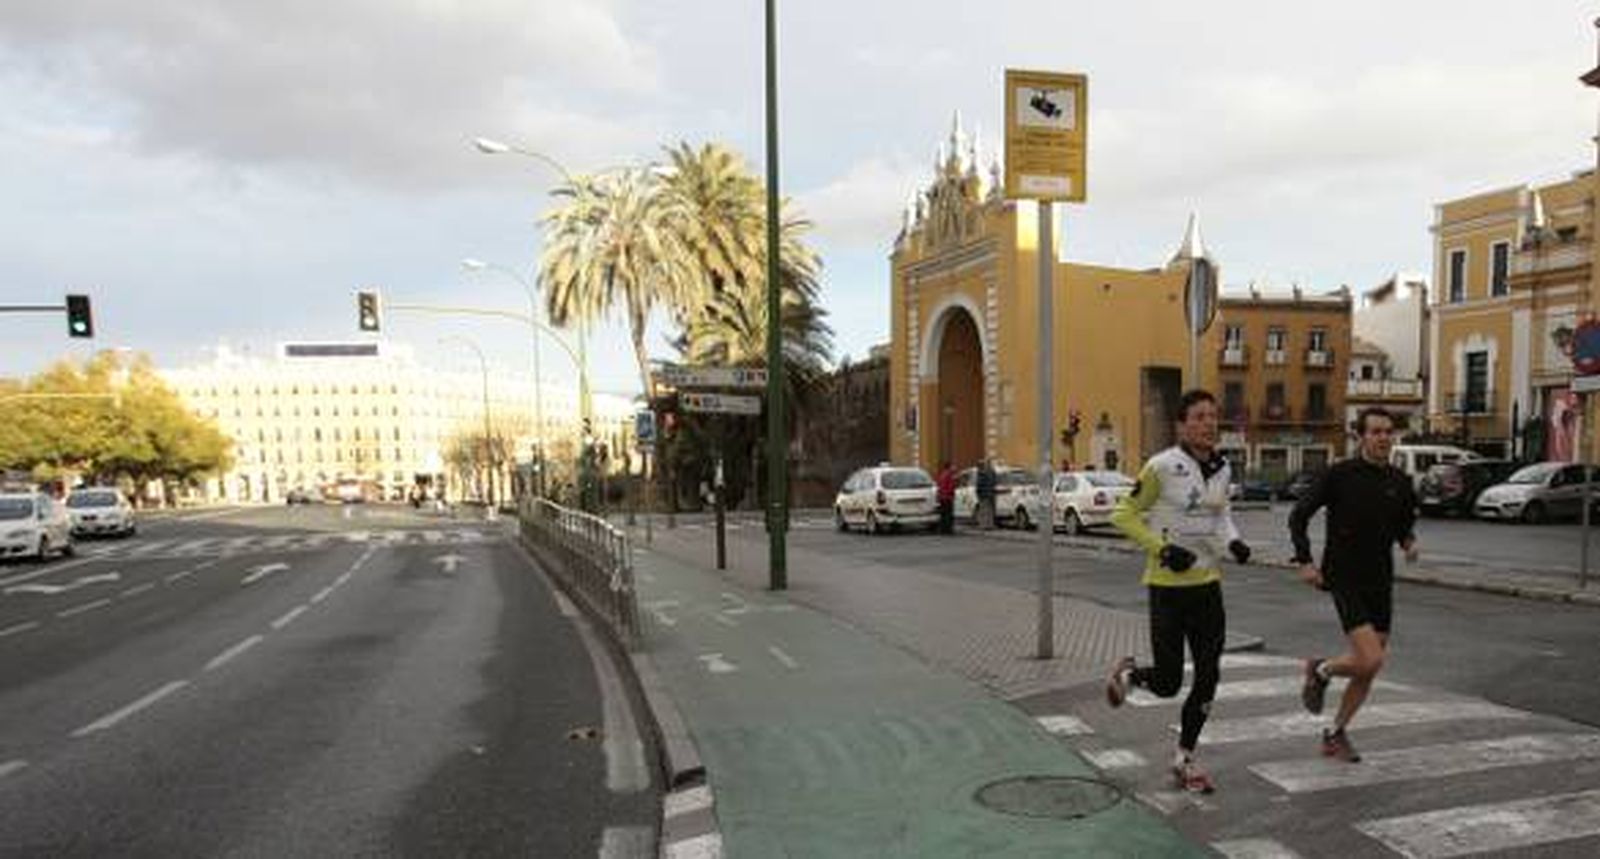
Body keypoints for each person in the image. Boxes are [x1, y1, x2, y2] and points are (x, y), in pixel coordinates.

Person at [1104, 389, 1251, 794]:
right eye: (1199, 416)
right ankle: (1132, 675)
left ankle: (1184, 759)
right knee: (1168, 683)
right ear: (1182, 425)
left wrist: (1234, 543)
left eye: (1212, 416)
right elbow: (1124, 515)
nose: (1208, 423)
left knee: (1208, 677)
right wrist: (1163, 549)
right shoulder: (1161, 466)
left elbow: (1221, 519)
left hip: (1207, 587)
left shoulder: (1221, 469)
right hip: (1167, 589)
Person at [1289, 406, 1418, 764]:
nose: (1383, 438)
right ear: (1360, 436)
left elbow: (1402, 525)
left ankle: (1334, 730)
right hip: (1344, 576)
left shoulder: (1400, 482)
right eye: (1376, 432)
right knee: (1371, 657)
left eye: (1388, 432)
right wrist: (1304, 561)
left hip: (1380, 579)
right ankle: (1321, 671)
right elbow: (1299, 515)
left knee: (1370, 667)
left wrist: (1409, 543)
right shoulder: (1339, 475)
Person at [935, 461, 956, 535]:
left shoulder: (942, 474)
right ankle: (948, 529)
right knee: (948, 514)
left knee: (943, 514)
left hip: (942, 497)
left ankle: (942, 529)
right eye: (953, 466)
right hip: (948, 497)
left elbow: (939, 485)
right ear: (949, 467)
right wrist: (952, 493)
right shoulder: (949, 475)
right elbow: (951, 486)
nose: (954, 467)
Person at [976, 460, 998, 530]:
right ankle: (989, 524)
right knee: (989, 510)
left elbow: (979, 486)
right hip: (989, 494)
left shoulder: (981, 474)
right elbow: (993, 481)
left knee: (984, 510)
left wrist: (978, 493)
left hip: (984, 494)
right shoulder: (988, 473)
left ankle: (985, 525)